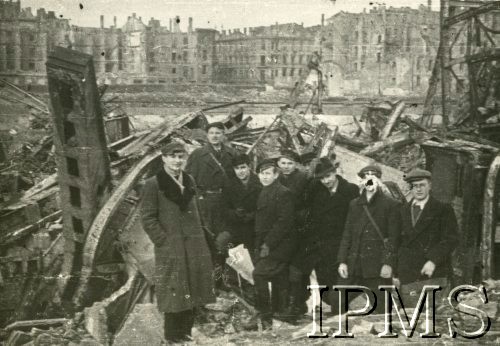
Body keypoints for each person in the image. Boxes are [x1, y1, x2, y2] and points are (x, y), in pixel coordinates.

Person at [141, 142, 215, 343]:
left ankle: (186, 335)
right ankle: (172, 338)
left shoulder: (189, 179)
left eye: (181, 156)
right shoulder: (153, 184)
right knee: (174, 291)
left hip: (194, 247)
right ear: (163, 158)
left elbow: (197, 212)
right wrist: (163, 241)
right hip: (171, 248)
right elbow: (147, 218)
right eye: (172, 156)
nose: (177, 161)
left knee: (193, 290)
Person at [284, 157, 359, 323]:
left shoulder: (350, 190)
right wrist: (310, 178)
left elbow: (355, 220)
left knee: (332, 281)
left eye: (328, 176)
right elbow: (299, 201)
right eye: (322, 178)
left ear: (335, 173)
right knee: (304, 273)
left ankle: (339, 312)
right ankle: (296, 307)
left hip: (337, 244)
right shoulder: (316, 188)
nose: (326, 181)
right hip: (316, 241)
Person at [337, 164, 400, 314]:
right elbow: (347, 234)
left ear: (379, 180)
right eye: (366, 176)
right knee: (338, 302)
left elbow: (394, 238)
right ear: (362, 180)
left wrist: (388, 264)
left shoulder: (390, 205)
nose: (370, 179)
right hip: (355, 263)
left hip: (377, 266)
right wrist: (342, 261)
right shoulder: (355, 204)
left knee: (382, 309)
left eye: (374, 176)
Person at [243, 159, 296, 330]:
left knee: (259, 275)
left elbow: (284, 222)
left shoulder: (283, 192)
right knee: (278, 278)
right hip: (267, 243)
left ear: (276, 175)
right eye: (261, 173)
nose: (264, 177)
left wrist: (268, 244)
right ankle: (276, 314)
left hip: (279, 245)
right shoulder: (264, 191)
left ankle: (264, 314)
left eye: (268, 174)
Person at [185, 121, 237, 288]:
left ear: (224, 135)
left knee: (222, 242)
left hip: (224, 203)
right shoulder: (198, 155)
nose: (215, 136)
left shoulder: (232, 154)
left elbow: (237, 178)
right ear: (207, 135)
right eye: (212, 133)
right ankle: (204, 282)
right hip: (204, 203)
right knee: (205, 240)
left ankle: (219, 280)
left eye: (218, 133)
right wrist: (197, 199)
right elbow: (188, 180)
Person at [396, 169, 458, 286]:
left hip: (433, 270)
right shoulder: (402, 210)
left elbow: (451, 239)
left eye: (422, 185)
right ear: (411, 188)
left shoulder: (443, 209)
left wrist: (433, 261)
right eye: (415, 186)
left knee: (433, 303)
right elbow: (397, 240)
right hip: (407, 272)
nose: (419, 189)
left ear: (430, 186)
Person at [218, 153, 262, 253]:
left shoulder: (259, 182)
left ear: (249, 167)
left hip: (255, 226)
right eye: (237, 168)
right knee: (222, 242)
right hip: (235, 226)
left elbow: (266, 208)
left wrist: (252, 215)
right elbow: (223, 208)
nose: (240, 171)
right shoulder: (229, 185)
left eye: (243, 167)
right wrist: (234, 213)